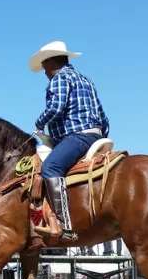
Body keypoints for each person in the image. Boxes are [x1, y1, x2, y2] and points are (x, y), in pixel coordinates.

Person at [30, 41, 109, 243]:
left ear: (50, 61)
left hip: (76, 136)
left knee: (50, 167)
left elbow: (56, 108)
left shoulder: (59, 78)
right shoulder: (86, 80)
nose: (44, 72)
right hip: (96, 135)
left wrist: (39, 122)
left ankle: (64, 225)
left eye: (44, 66)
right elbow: (103, 117)